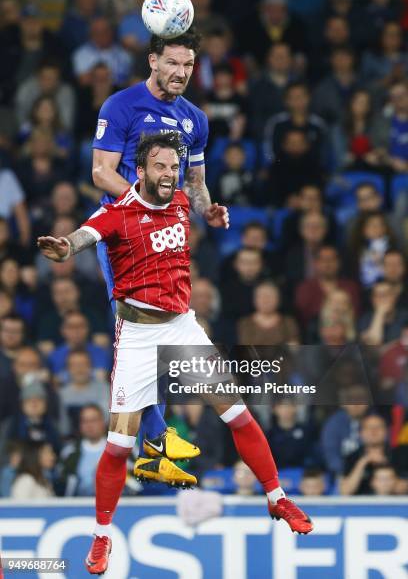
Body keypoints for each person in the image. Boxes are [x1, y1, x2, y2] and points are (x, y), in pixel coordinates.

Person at [38, 131, 313, 575]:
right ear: (141, 170)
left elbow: (199, 197)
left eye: (174, 167)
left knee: (238, 415)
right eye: (161, 167)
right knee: (118, 446)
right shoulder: (118, 213)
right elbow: (85, 236)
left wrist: (211, 209)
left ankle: (278, 498)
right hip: (138, 337)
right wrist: (65, 247)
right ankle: (102, 536)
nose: (169, 174)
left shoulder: (183, 202)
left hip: (182, 326)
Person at [90, 28, 230, 485]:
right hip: (125, 238)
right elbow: (101, 172)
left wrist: (208, 207)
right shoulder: (121, 106)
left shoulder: (195, 119)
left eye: (188, 65)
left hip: (167, 240)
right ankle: (156, 440)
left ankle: (154, 450)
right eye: (172, 63)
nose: (180, 73)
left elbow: (195, 182)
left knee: (165, 338)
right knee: (137, 334)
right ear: (153, 61)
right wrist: (148, 206)